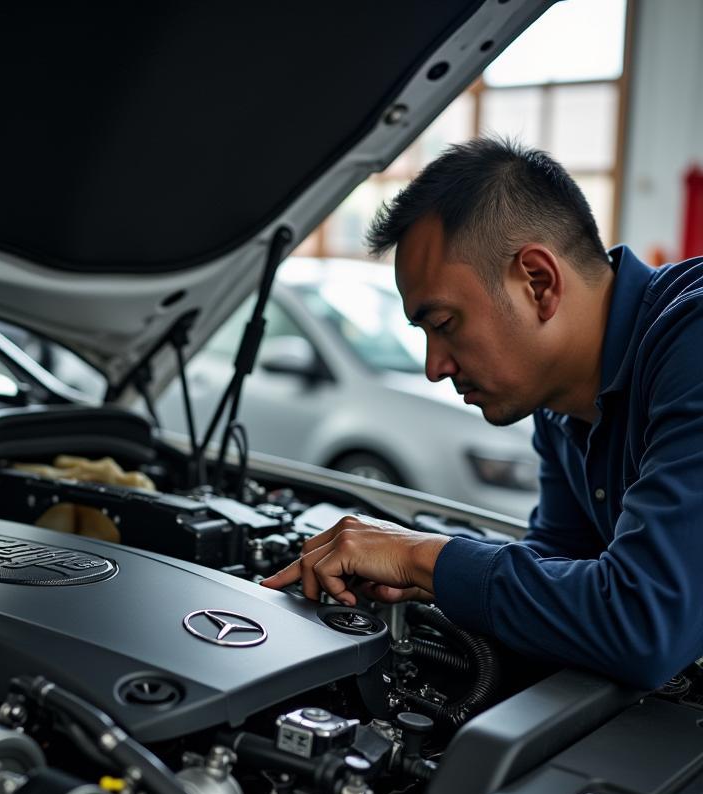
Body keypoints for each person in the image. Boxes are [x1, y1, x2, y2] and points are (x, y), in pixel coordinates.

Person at [261, 137, 703, 690]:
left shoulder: (694, 339)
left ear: (538, 282)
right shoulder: (560, 404)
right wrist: (424, 573)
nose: (433, 367)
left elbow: (644, 626)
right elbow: (561, 565)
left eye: (444, 324)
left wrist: (424, 560)